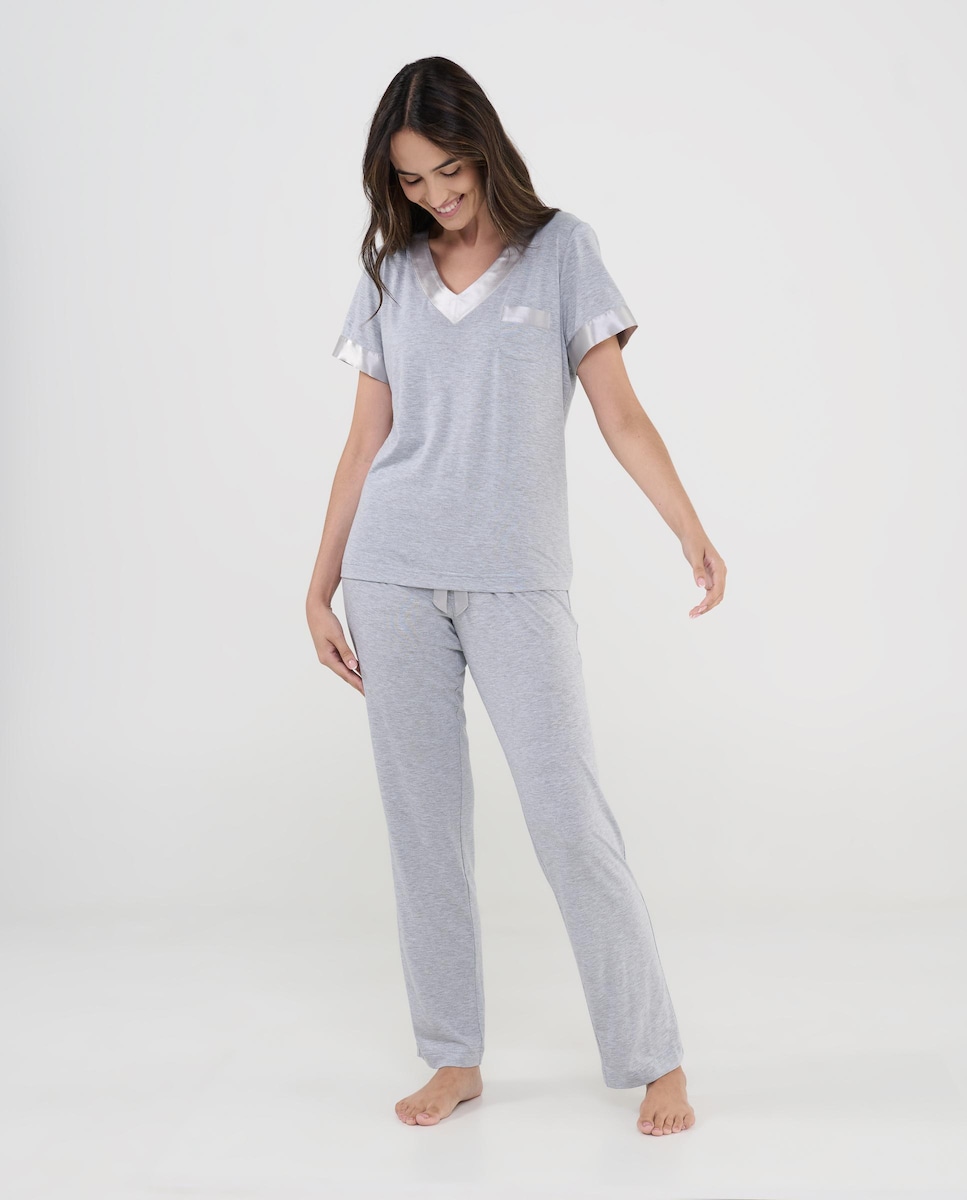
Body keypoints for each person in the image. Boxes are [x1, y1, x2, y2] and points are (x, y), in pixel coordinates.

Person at [306, 56, 724, 1136]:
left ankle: (654, 1056)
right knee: (424, 829)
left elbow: (620, 413)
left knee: (566, 818)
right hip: (391, 574)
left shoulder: (561, 251)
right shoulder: (390, 272)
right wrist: (320, 586)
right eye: (411, 181)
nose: (436, 196)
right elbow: (364, 441)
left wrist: (686, 524)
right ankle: (452, 1055)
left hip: (515, 584)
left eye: (448, 171)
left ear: (483, 149)